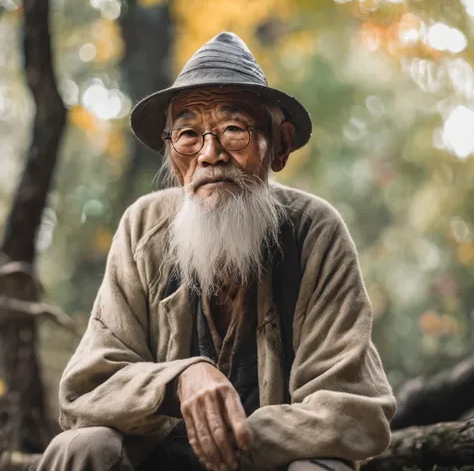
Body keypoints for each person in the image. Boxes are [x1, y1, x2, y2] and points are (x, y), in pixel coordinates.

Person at [38, 32, 396, 471]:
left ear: (279, 145)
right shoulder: (144, 228)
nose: (210, 154)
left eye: (233, 129)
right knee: (81, 448)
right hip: (160, 461)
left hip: (268, 462)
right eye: (188, 134)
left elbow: (356, 412)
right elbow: (85, 391)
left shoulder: (314, 233)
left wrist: (229, 441)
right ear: (172, 153)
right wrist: (178, 380)